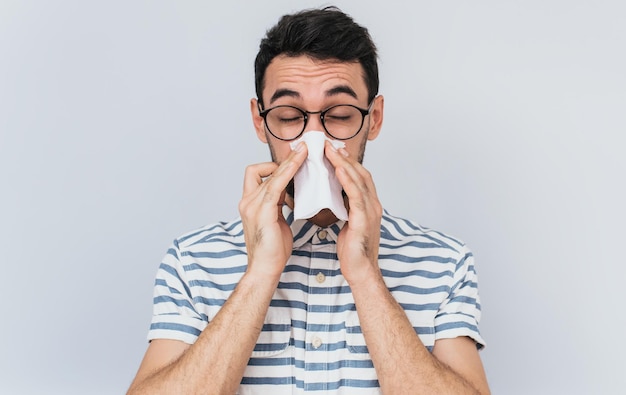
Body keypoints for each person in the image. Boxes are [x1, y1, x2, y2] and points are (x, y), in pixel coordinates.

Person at [128, 6, 489, 395]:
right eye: (288, 115)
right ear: (259, 120)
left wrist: (366, 275)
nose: (313, 141)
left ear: (374, 118)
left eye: (338, 114)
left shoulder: (444, 260)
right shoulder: (192, 259)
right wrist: (260, 273)